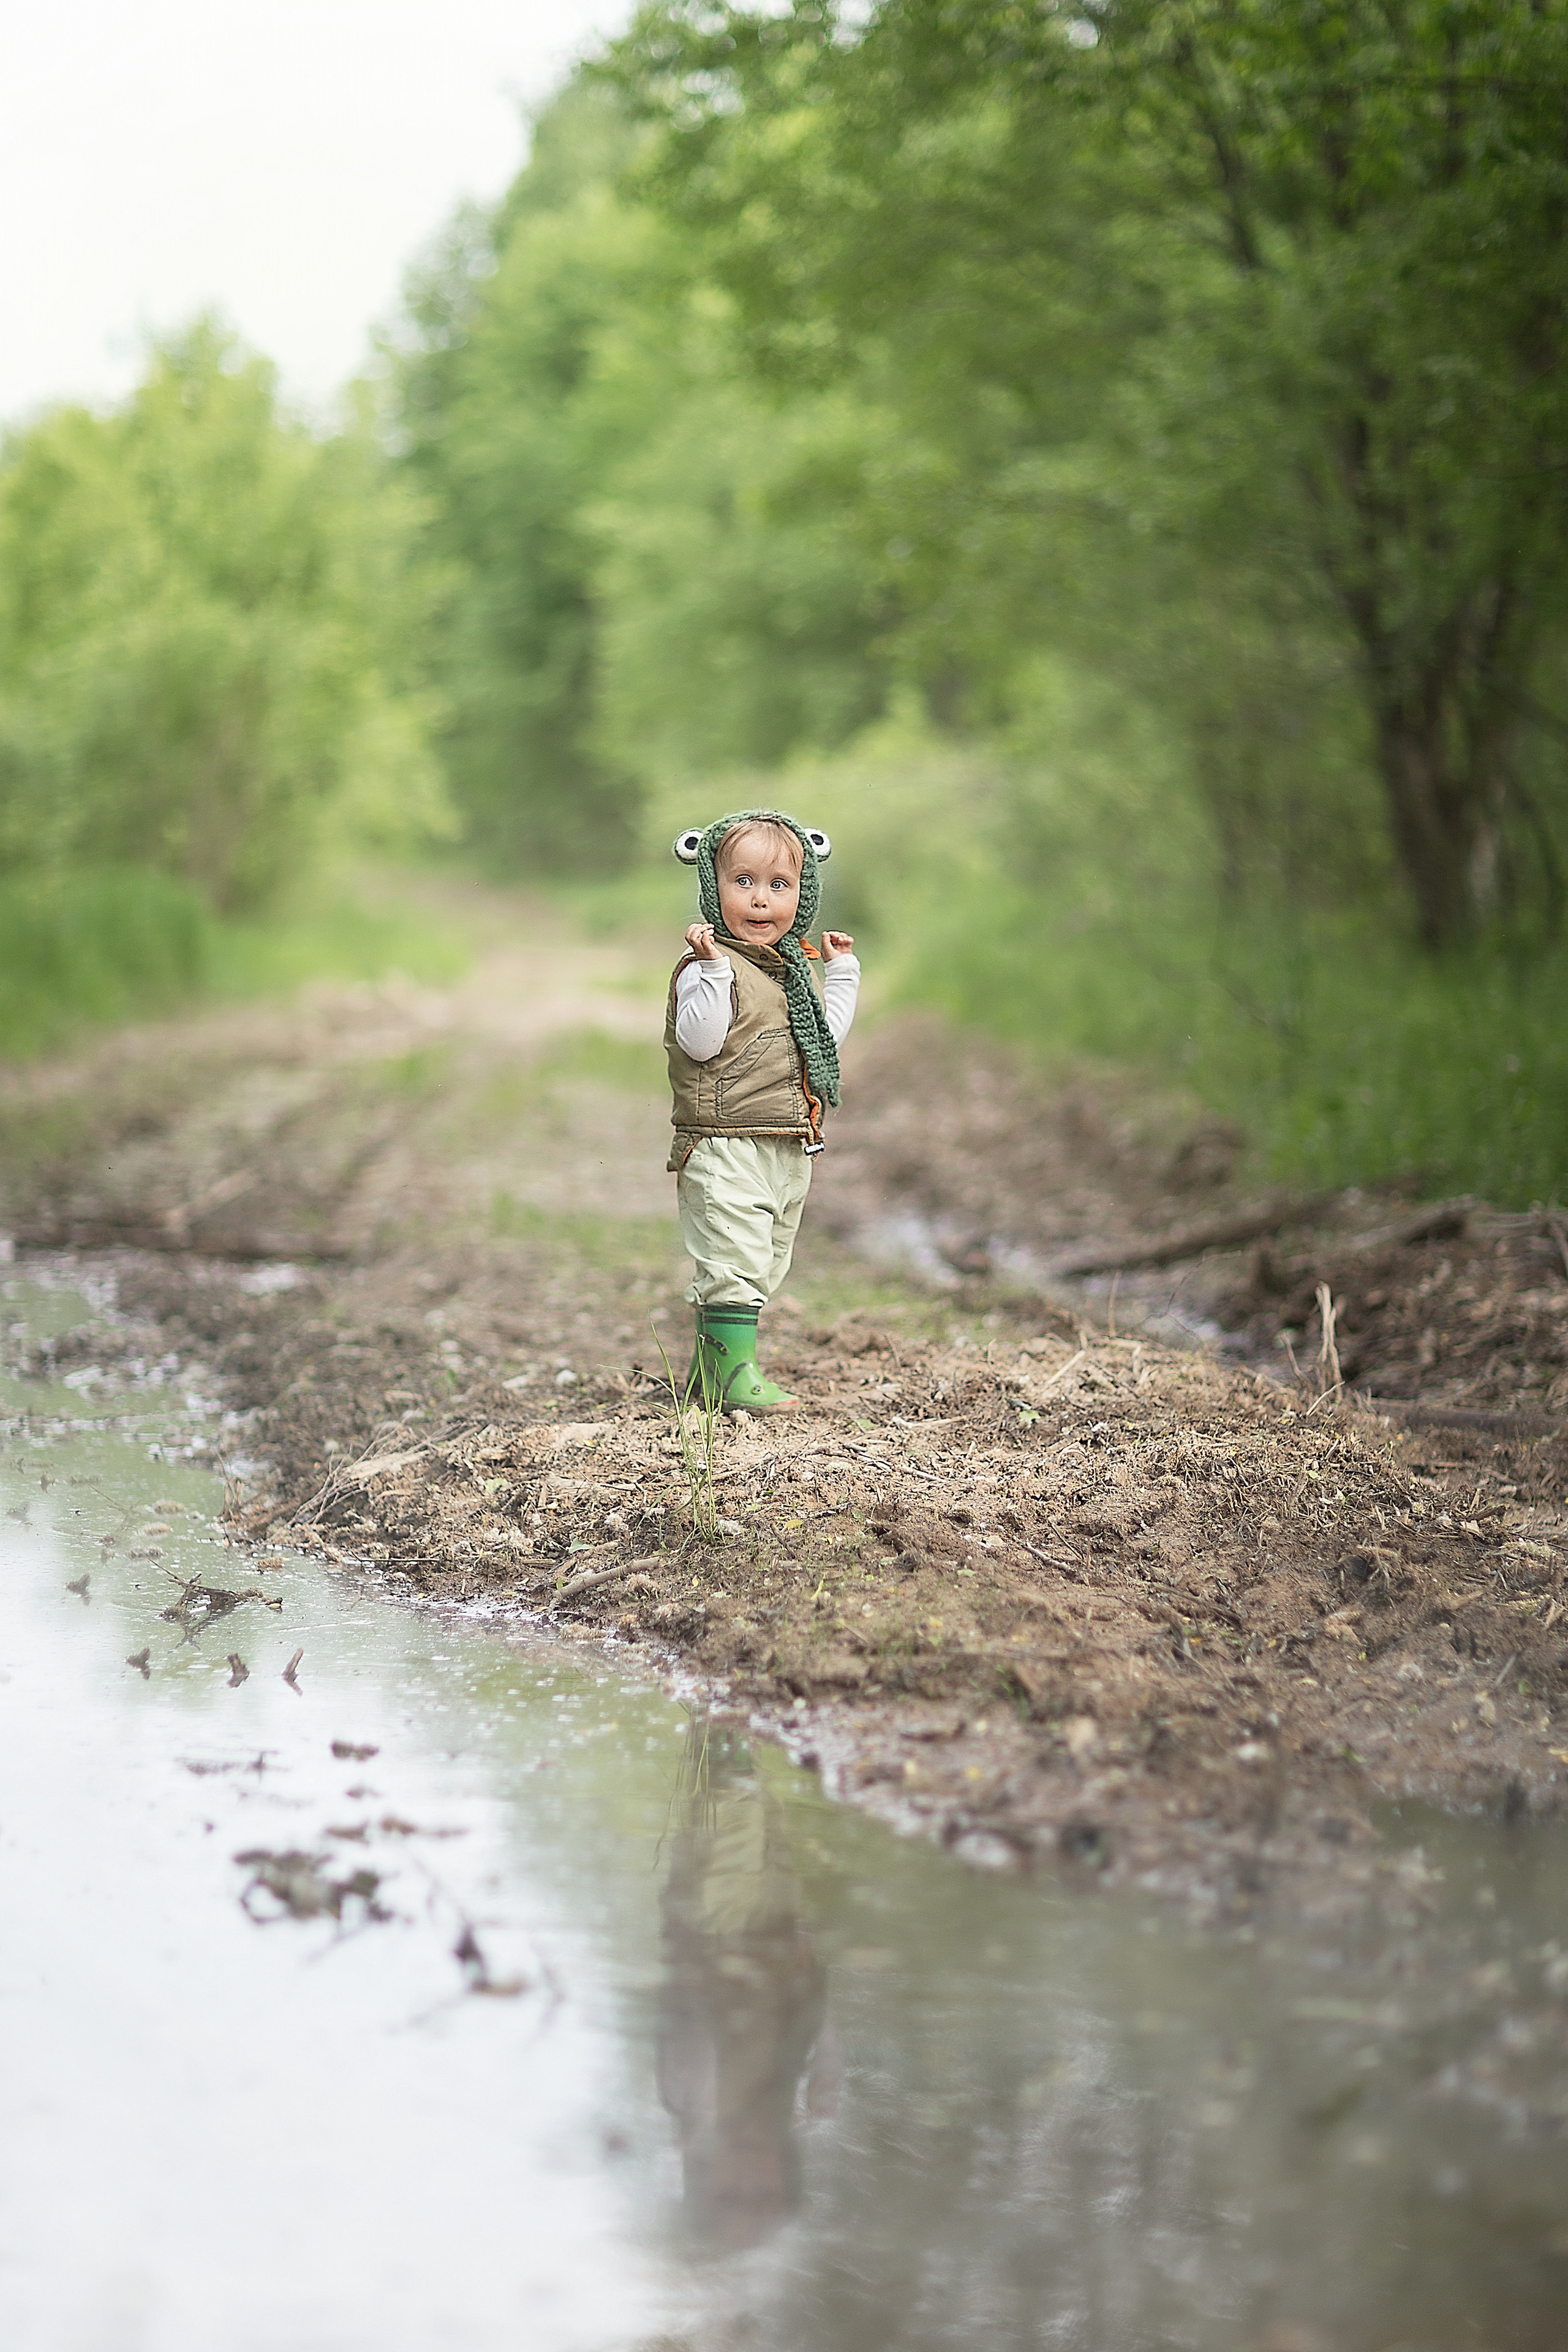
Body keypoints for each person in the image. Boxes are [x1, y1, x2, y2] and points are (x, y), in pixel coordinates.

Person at [664, 809, 861, 1413]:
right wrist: (716, 972)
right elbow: (701, 1041)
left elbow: (821, 1039)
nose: (759, 900)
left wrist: (842, 973)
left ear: (802, 896)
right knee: (734, 1257)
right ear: (712, 887)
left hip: (783, 1139)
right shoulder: (706, 966)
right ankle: (732, 1377)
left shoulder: (791, 972)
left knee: (767, 1259)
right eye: (742, 881)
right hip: (724, 1141)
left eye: (778, 885)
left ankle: (708, 1370)